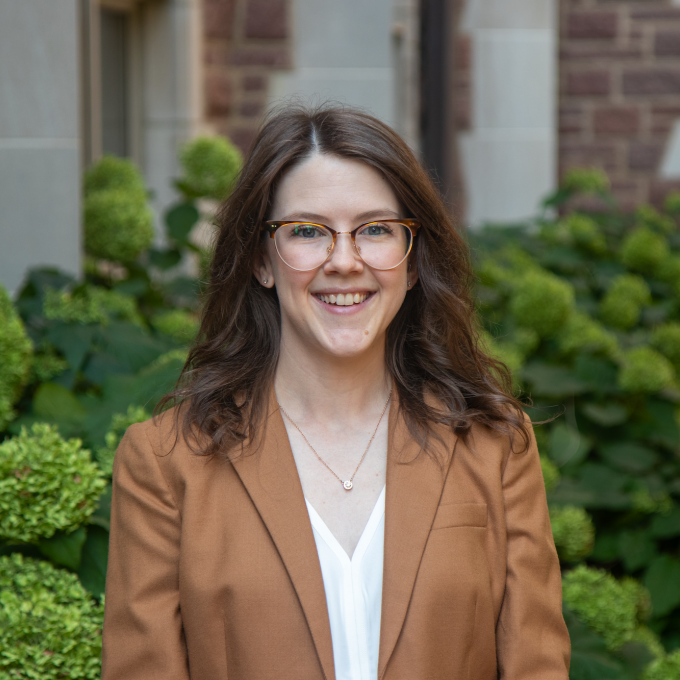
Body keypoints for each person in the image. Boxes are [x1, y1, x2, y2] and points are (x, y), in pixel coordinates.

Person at [102, 104, 570, 680]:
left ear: (413, 260)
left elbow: (536, 667)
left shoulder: (494, 444)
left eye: (375, 229)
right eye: (307, 231)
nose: (345, 262)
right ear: (261, 260)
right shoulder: (166, 463)